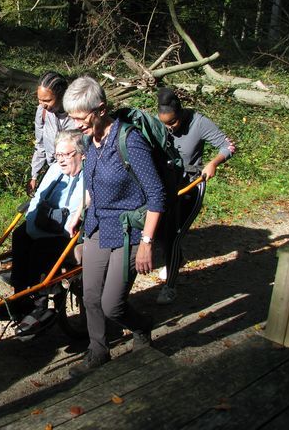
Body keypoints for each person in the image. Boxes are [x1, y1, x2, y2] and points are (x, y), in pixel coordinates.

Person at [63, 77, 165, 378]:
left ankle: (142, 326)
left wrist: (146, 242)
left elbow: (156, 195)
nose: (75, 124)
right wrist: (79, 213)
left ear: (101, 109)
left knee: (112, 306)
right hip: (97, 225)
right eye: (72, 117)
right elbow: (93, 184)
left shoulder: (130, 141)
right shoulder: (90, 141)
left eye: (80, 118)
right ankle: (98, 349)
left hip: (128, 232)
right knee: (90, 296)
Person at [0, 130, 85, 335]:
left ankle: (39, 305)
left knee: (41, 248)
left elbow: (79, 211)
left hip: (71, 232)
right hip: (48, 224)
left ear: (81, 153)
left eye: (66, 155)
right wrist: (32, 221)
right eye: (58, 155)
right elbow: (39, 196)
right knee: (20, 235)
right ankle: (20, 296)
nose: (61, 160)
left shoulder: (89, 173)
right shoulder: (56, 169)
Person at [155, 87, 236, 304]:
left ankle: (169, 287)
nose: (169, 128)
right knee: (160, 232)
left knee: (174, 236)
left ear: (180, 114)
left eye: (172, 123)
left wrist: (213, 163)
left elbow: (228, 146)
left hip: (190, 187)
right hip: (166, 185)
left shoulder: (199, 123)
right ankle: (176, 260)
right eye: (165, 124)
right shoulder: (158, 123)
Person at [27, 71, 78, 196]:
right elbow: (40, 146)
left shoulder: (78, 115)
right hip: (54, 170)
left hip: (77, 174)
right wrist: (34, 175)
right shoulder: (42, 113)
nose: (42, 105)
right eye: (40, 100)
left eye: (47, 100)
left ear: (61, 96)